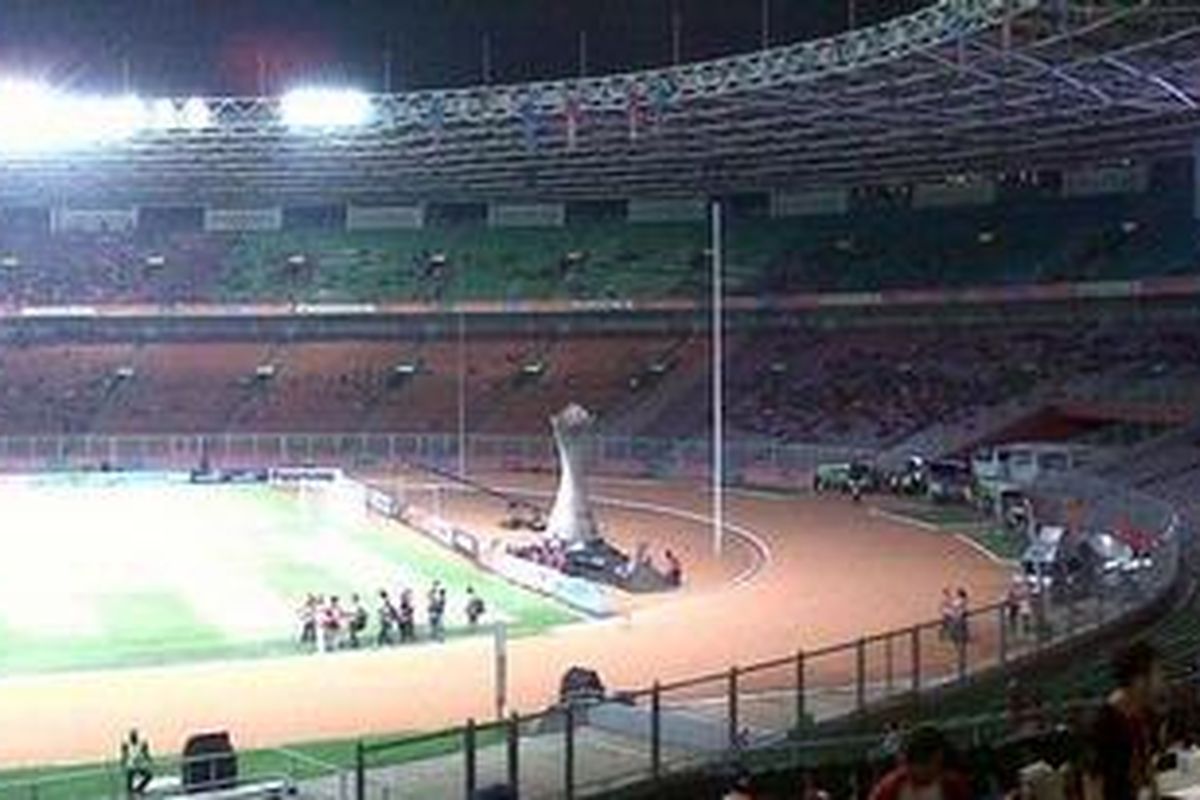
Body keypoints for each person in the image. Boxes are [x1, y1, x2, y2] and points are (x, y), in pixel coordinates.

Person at [1083, 640, 1163, 800]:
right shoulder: (1103, 722)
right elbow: (1092, 781)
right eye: (1157, 673)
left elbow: (1147, 762)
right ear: (1139, 680)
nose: (1161, 680)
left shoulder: (1145, 713)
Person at [868, 725, 971, 800]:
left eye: (936, 763)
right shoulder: (891, 787)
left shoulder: (952, 784)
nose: (929, 771)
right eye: (924, 765)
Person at [120, 728, 154, 796]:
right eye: (132, 736)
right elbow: (124, 755)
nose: (133, 738)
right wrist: (122, 762)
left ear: (137, 737)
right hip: (131, 767)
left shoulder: (141, 744)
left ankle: (139, 788)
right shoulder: (127, 745)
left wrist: (149, 759)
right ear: (130, 737)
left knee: (149, 775)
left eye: (134, 736)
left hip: (139, 766)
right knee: (129, 786)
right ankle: (131, 793)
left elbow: (145, 753)